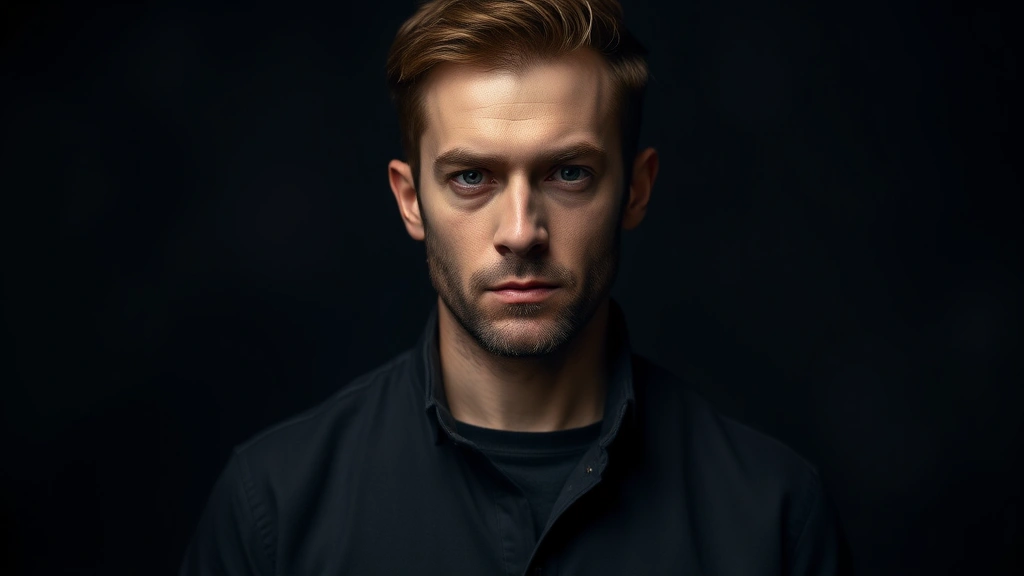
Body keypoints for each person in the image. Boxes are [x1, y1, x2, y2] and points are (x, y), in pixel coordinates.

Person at [181, 0, 852, 574]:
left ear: (636, 190)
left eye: (568, 173)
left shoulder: (773, 517)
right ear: (411, 201)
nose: (522, 231)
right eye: (472, 177)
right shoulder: (271, 511)